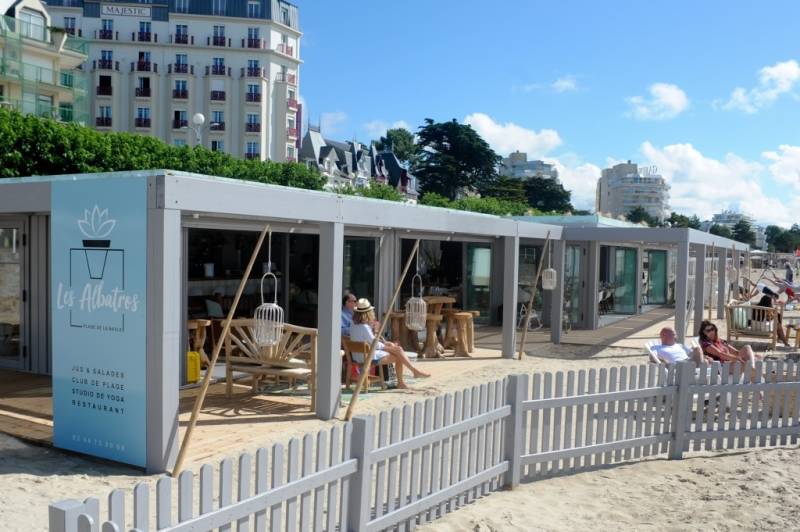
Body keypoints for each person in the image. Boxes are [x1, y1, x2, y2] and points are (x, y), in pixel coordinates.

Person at [349, 298, 429, 389]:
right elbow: (375, 344)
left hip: (357, 356)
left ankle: (412, 373)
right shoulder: (364, 327)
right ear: (367, 313)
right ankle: (408, 377)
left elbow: (369, 341)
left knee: (397, 350)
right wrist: (388, 347)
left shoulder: (353, 325)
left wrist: (386, 343)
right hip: (367, 357)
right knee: (399, 354)